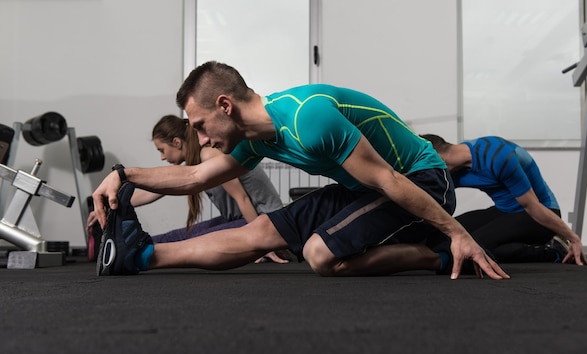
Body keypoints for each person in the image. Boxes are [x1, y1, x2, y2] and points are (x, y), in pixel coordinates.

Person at [92, 61, 510, 280]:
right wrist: (123, 175)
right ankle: (143, 256)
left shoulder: (308, 118)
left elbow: (388, 179)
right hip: (364, 187)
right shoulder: (256, 137)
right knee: (258, 233)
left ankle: (433, 255)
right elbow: (195, 177)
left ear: (224, 106)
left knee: (319, 254)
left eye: (200, 127)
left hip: (421, 182)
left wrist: (458, 232)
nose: (200, 141)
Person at [89, 114, 288, 263]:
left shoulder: (210, 155)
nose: (162, 157)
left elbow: (242, 198)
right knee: (179, 235)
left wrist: (262, 243)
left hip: (263, 220)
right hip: (241, 220)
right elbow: (153, 191)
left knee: (190, 239)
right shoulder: (198, 164)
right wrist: (107, 207)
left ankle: (127, 252)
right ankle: (124, 247)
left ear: (177, 142)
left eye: (162, 150)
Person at [424, 133, 587, 265]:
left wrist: (573, 238)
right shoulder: (454, 168)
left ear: (438, 158)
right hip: (504, 211)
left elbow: (533, 207)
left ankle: (553, 251)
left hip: (538, 215)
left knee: (477, 247)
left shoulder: (496, 156)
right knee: (439, 236)